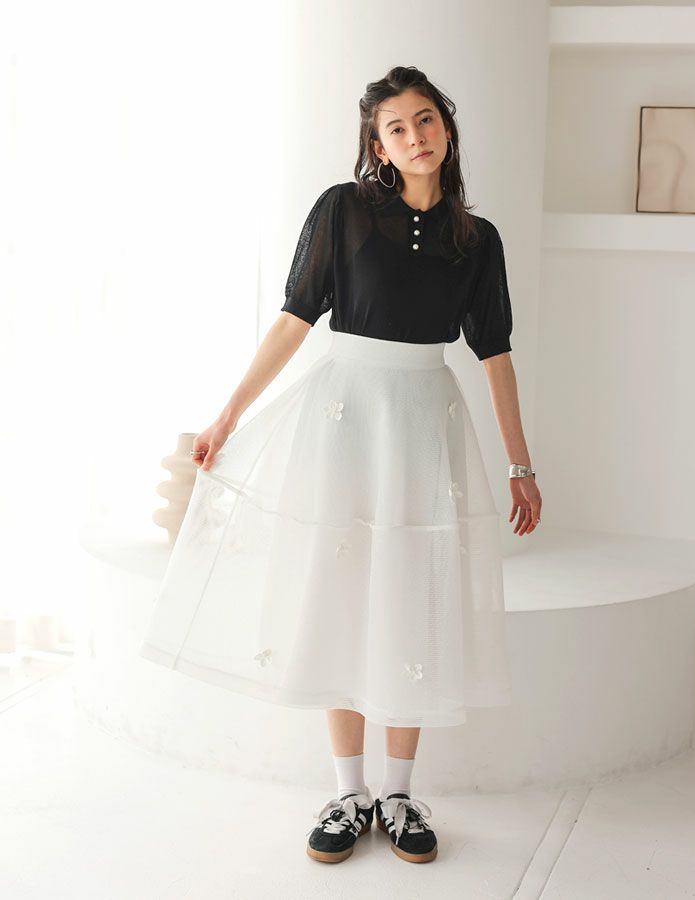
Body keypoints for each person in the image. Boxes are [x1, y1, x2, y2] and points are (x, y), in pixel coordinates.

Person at [139, 65, 541, 866]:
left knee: (412, 598)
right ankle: (349, 792)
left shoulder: (478, 239)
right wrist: (227, 415)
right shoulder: (343, 210)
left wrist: (519, 466)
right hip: (345, 418)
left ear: (446, 127)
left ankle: (399, 793)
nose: (415, 136)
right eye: (397, 128)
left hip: (424, 423)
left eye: (425, 120)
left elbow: (494, 354)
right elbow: (295, 319)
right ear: (378, 146)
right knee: (342, 591)